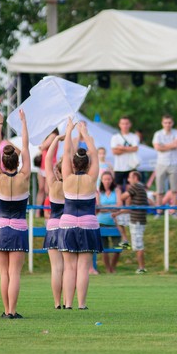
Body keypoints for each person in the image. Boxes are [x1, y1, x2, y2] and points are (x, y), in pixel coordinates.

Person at [0, 109, 31, 318]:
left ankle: (6, 310)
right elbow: (25, 147)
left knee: (4, 273)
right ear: (17, 162)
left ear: (4, 162)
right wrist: (23, 123)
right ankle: (12, 311)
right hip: (18, 227)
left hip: (0, 227)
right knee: (14, 273)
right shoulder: (24, 176)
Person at [60, 118, 102, 309]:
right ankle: (82, 304)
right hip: (88, 222)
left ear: (73, 164)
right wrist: (84, 133)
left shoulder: (67, 177)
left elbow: (66, 152)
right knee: (83, 267)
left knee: (69, 267)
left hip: (67, 221)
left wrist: (69, 131)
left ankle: (68, 303)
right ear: (87, 164)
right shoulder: (91, 178)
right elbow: (95, 154)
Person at [44, 134, 65, 307]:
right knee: (69, 268)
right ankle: (68, 301)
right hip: (68, 226)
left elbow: (47, 160)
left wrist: (56, 140)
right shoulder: (73, 184)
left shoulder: (52, 183)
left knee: (56, 268)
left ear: (57, 171)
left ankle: (57, 302)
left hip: (52, 226)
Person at [120, 170, 150, 274]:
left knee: (138, 245)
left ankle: (141, 268)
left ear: (135, 178)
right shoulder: (141, 186)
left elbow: (122, 197)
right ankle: (125, 240)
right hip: (137, 218)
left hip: (137, 220)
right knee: (118, 218)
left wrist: (126, 193)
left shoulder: (135, 186)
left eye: (130, 177)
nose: (128, 180)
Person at [152, 114, 177, 207]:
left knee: (174, 189)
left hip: (174, 163)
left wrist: (163, 146)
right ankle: (159, 210)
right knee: (159, 190)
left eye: (169, 122)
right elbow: (157, 147)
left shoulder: (176, 132)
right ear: (162, 123)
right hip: (161, 163)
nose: (167, 124)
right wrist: (170, 145)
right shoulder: (158, 134)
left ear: (172, 123)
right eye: (165, 123)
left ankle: (174, 210)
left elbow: (176, 145)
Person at [96, 170, 122, 273]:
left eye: (109, 179)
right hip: (101, 222)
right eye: (105, 179)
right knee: (104, 248)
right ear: (101, 180)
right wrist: (112, 207)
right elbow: (99, 207)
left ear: (112, 180)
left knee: (118, 247)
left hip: (115, 222)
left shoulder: (117, 190)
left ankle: (113, 267)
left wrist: (105, 207)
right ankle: (108, 269)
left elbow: (119, 205)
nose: (107, 181)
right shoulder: (99, 192)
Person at [110, 116, 140, 187]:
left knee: (130, 188)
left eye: (127, 123)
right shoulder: (115, 137)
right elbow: (114, 151)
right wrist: (130, 148)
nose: (125, 126)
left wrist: (121, 147)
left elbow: (135, 149)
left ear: (130, 124)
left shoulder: (134, 136)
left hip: (131, 167)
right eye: (123, 123)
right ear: (119, 124)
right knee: (118, 188)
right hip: (118, 167)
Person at [37, 130, 59, 214]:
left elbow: (43, 147)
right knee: (41, 189)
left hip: (49, 165)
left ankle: (47, 211)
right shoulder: (48, 136)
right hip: (42, 165)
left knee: (47, 190)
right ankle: (38, 212)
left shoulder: (53, 135)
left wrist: (42, 143)